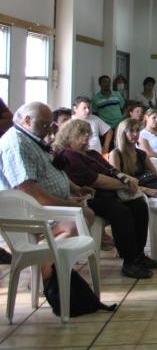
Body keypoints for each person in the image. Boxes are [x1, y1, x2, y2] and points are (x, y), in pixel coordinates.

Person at [54, 119, 157, 279]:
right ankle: (129, 261)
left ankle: (139, 255)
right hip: (90, 196)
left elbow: (111, 170)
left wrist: (126, 180)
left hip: (111, 193)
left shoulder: (92, 153)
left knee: (139, 205)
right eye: (82, 133)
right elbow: (94, 179)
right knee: (120, 211)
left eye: (88, 133)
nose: (87, 136)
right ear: (70, 135)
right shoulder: (69, 156)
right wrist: (124, 185)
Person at [0, 103, 97, 263]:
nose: (48, 129)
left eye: (49, 124)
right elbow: (28, 191)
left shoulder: (31, 138)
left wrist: (76, 189)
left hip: (43, 206)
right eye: (43, 124)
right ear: (27, 121)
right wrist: (67, 204)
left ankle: (54, 265)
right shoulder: (16, 143)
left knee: (86, 214)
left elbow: (52, 169)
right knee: (75, 222)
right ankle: (43, 267)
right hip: (28, 210)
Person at [109, 119, 157, 260]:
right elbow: (117, 180)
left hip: (150, 190)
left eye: (137, 131)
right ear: (122, 133)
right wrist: (145, 190)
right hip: (131, 193)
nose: (135, 134)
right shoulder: (116, 154)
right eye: (131, 131)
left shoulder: (141, 154)